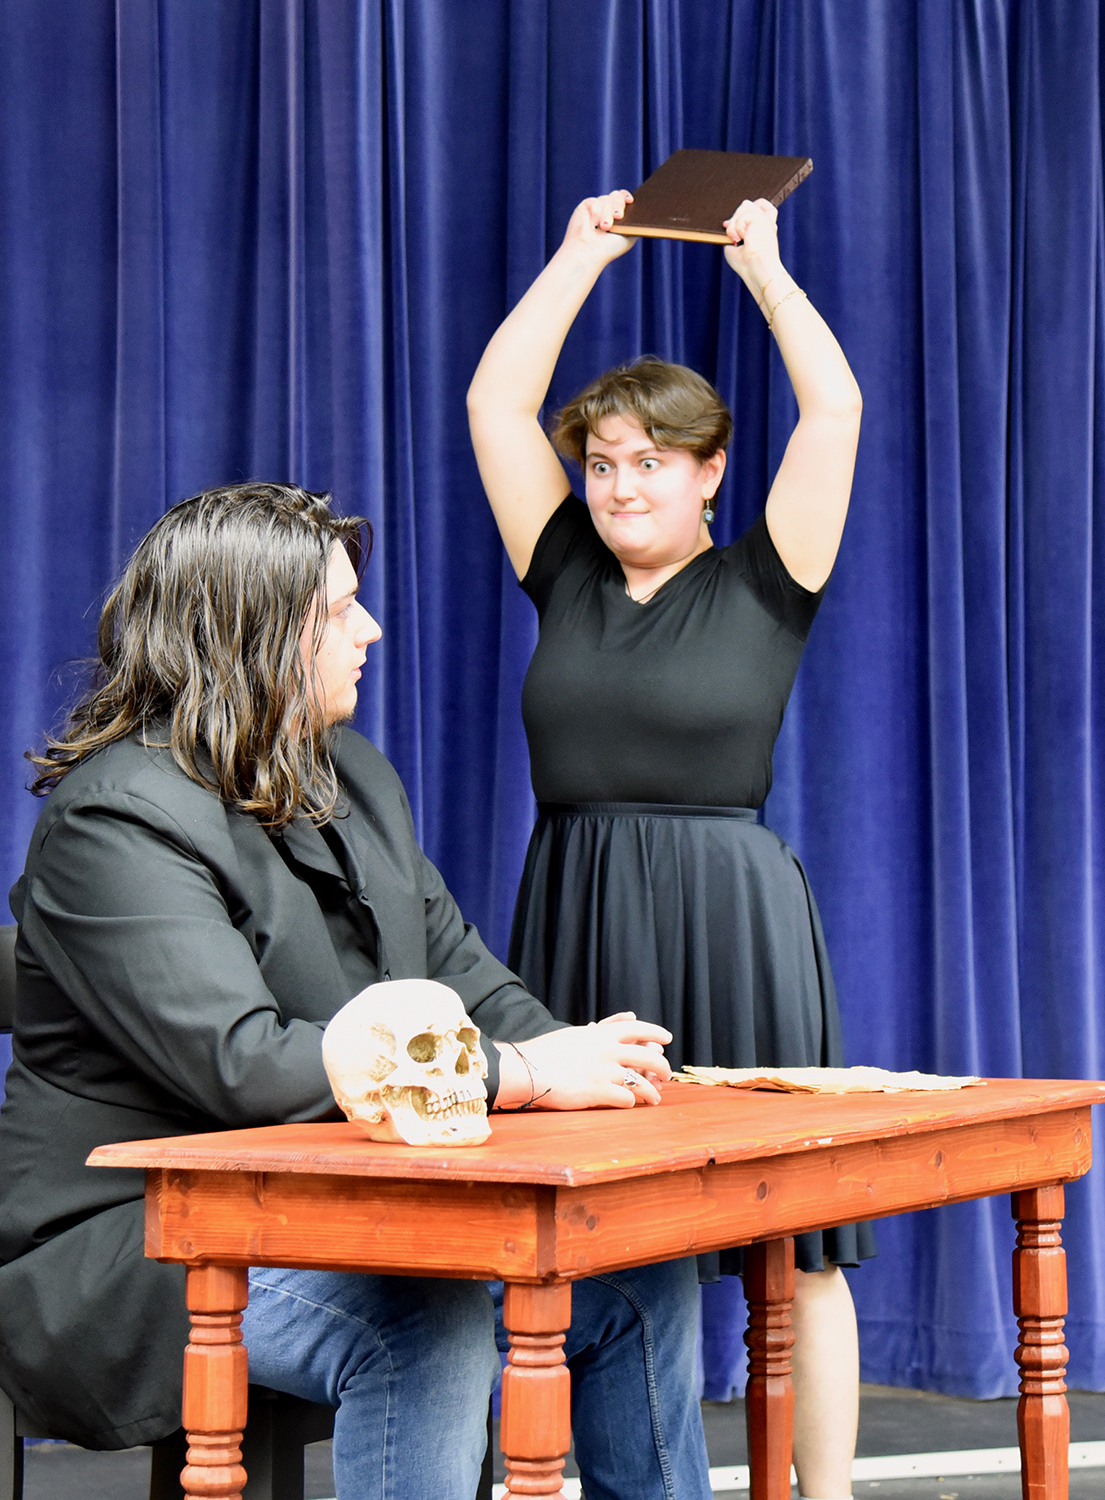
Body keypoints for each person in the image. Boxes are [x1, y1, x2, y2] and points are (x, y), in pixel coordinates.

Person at [0, 483, 712, 1500]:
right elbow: (244, 1064)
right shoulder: (115, 822)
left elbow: (464, 974)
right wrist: (525, 1076)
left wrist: (602, 1070)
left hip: (311, 1208)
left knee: (635, 1273)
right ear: (255, 636)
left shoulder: (351, 776)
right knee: (418, 1318)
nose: (372, 628)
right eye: (338, 610)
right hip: (128, 1245)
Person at [467, 193, 867, 1500]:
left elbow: (839, 412)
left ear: (710, 474)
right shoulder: (564, 564)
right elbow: (492, 404)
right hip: (579, 907)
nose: (621, 484)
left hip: (733, 919)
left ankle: (824, 1492)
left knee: (792, 1246)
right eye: (604, 461)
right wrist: (584, 251)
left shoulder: (769, 579)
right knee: (587, 1230)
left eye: (653, 461)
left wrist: (759, 268)